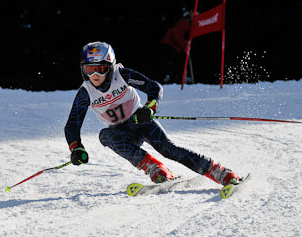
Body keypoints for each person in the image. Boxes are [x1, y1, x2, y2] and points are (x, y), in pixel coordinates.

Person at [64, 41, 240, 186]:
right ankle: (155, 168)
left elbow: (154, 87)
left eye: (100, 69)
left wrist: (149, 108)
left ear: (110, 67)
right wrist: (76, 147)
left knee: (168, 149)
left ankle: (219, 172)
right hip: (120, 132)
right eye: (89, 69)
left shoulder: (122, 75)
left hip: (139, 120)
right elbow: (72, 124)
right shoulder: (85, 92)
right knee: (105, 135)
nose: (95, 75)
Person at [158, 10, 192, 83]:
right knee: (177, 64)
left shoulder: (185, 23)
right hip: (169, 46)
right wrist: (185, 40)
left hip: (170, 46)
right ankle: (173, 80)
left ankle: (172, 79)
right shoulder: (185, 22)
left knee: (174, 64)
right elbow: (178, 37)